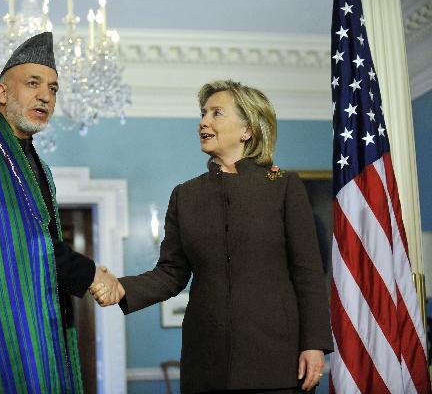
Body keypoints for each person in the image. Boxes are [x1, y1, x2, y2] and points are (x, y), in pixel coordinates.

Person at [92, 79, 333, 393]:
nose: (203, 121)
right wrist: (121, 287)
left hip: (277, 364)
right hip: (205, 367)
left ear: (248, 129)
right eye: (203, 113)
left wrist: (314, 344)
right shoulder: (185, 195)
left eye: (217, 113)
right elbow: (170, 274)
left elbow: (308, 274)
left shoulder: (284, 186)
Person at [0, 32, 123, 393]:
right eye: (33, 84)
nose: (45, 96)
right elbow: (7, 243)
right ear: (2, 93)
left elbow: (39, 244)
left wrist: (88, 272)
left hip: (41, 326)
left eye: (53, 88)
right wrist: (89, 272)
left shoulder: (41, 168)